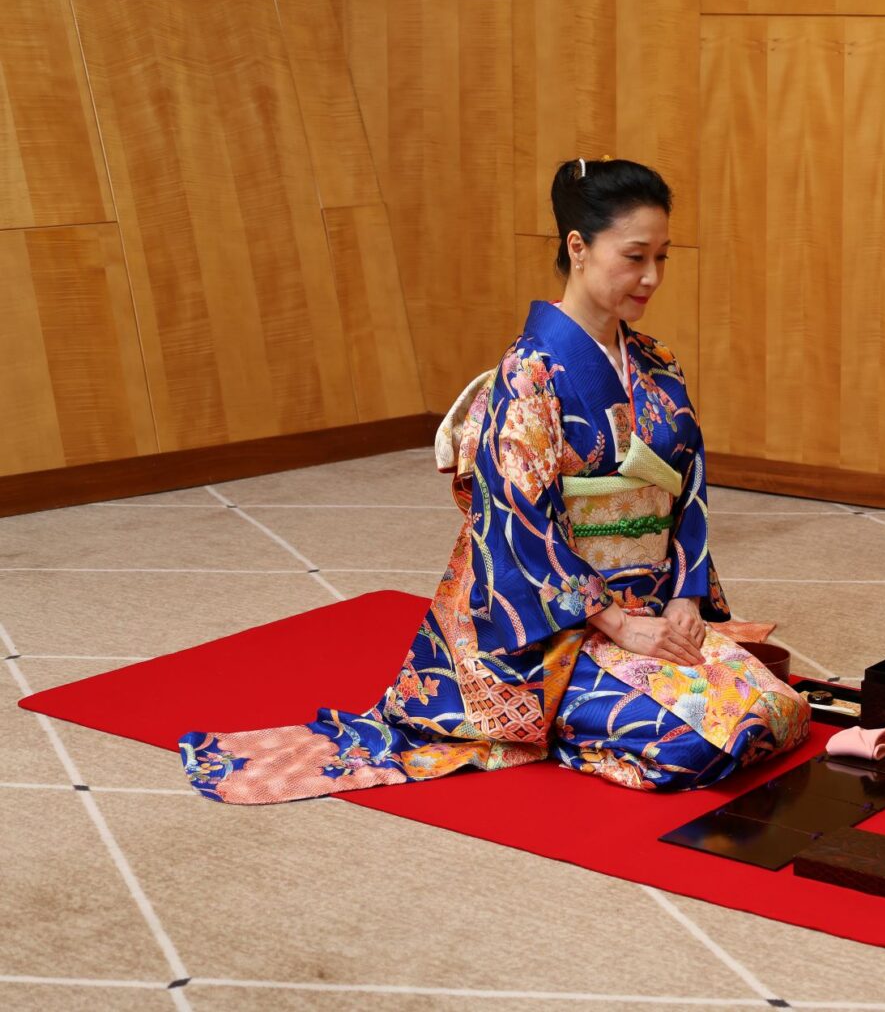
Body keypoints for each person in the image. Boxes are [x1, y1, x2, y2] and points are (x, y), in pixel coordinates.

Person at [179, 157, 811, 802]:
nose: (651, 277)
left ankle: (626, 687)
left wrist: (684, 598)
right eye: (635, 256)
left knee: (780, 713)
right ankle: (554, 722)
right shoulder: (527, 376)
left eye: (664, 257)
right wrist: (621, 627)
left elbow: (689, 487)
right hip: (557, 628)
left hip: (653, 603)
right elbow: (518, 522)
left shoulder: (657, 363)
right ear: (578, 247)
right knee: (701, 742)